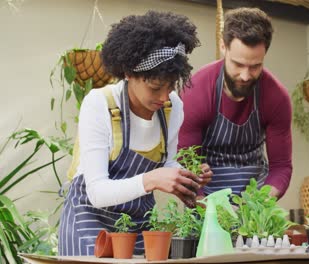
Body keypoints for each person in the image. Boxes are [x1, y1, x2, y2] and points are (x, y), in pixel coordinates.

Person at [58, 10, 212, 256]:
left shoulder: (173, 108)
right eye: (155, 87)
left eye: (171, 85)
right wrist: (152, 180)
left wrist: (185, 178)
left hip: (138, 227)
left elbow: (167, 161)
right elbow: (96, 192)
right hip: (89, 225)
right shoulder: (100, 104)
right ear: (128, 73)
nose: (164, 96)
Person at [178, 7, 292, 199]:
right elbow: (185, 164)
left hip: (255, 200)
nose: (246, 76)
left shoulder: (276, 97)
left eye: (255, 66)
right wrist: (211, 209)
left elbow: (281, 167)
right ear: (223, 46)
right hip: (206, 199)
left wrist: (260, 205)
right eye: (238, 64)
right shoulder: (195, 92)